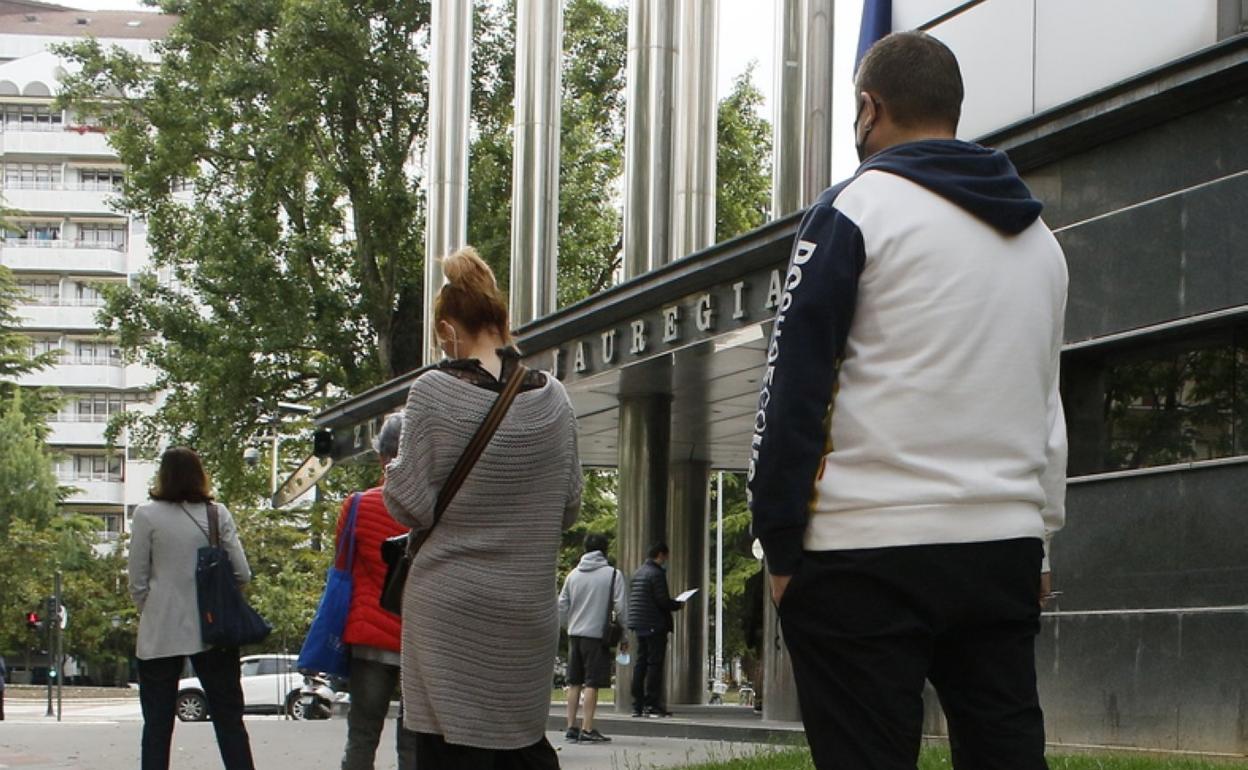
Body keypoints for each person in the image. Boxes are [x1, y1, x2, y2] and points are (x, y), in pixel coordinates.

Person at [748, 31, 1067, 770]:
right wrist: (1040, 535)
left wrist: (780, 542)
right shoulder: (1038, 239)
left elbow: (792, 387)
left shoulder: (855, 210)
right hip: (1000, 550)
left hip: (866, 551)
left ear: (870, 107)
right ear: (953, 110)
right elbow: (1045, 401)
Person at [383, 246, 582, 769]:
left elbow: (409, 504)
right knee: (518, 746)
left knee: (449, 752)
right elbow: (569, 505)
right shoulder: (555, 398)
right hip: (526, 610)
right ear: (500, 319)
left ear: (448, 329)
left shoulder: (432, 391)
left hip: (447, 610)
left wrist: (392, 469)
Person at [128, 447, 257, 770]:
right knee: (229, 721)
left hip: (160, 633)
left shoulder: (146, 515)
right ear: (200, 475)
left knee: (157, 727)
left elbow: (137, 581)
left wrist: (155, 607)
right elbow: (242, 572)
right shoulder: (217, 514)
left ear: (163, 476)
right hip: (214, 630)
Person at [337, 414, 417, 770]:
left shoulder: (357, 506)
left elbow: (342, 567)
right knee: (415, 743)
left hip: (368, 639)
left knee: (362, 737)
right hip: (418, 638)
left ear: (382, 456)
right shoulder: (430, 509)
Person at [557, 533, 627, 743]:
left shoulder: (573, 575)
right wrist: (623, 634)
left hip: (575, 635)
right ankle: (587, 729)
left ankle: (571, 726)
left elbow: (561, 606)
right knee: (592, 683)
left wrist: (568, 626)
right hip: (597, 636)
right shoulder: (613, 575)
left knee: (574, 681)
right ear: (605, 550)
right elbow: (621, 607)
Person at [626, 542, 684, 718]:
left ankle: (637, 704)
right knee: (654, 665)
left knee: (640, 664)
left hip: (639, 624)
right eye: (665, 556)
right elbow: (662, 601)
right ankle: (652, 703)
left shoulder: (638, 573)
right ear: (660, 554)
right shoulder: (656, 574)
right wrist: (677, 604)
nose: (666, 560)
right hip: (654, 624)